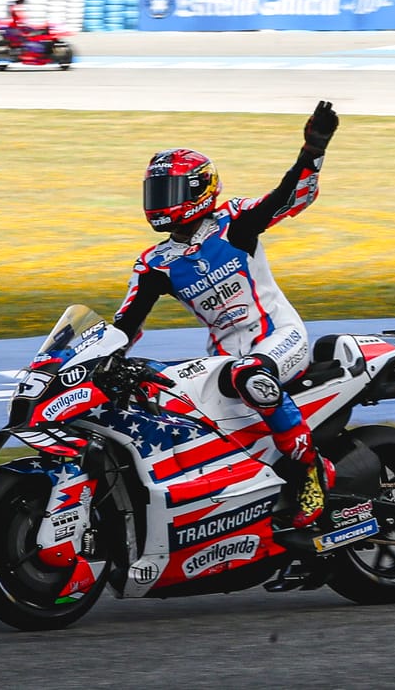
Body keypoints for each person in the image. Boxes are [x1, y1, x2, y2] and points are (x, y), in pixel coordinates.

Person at [114, 101, 341, 528]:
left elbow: (291, 196)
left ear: (200, 191)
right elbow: (125, 325)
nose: (160, 202)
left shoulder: (234, 223)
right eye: (156, 192)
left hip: (279, 339)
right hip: (223, 358)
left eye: (172, 191)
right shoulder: (156, 263)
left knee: (250, 374)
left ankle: (312, 470)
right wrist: (91, 359)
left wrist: (313, 150)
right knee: (168, 398)